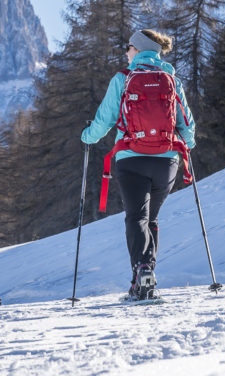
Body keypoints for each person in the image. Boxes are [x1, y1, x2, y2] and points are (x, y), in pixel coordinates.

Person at [81, 29, 195, 300]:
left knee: (136, 217)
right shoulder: (171, 79)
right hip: (166, 161)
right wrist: (187, 145)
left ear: (138, 48)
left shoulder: (123, 78)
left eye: (128, 47)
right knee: (151, 218)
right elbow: (186, 124)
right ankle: (145, 276)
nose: (126, 52)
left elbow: (104, 120)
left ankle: (141, 271)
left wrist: (87, 136)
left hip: (131, 159)